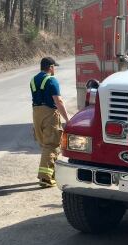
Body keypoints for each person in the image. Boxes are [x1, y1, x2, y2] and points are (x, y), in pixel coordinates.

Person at [30, 56, 70, 188]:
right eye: (54, 67)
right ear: (51, 67)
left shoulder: (33, 80)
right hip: (49, 114)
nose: (55, 70)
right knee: (52, 145)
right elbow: (58, 101)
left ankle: (50, 173)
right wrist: (68, 119)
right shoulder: (52, 80)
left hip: (36, 113)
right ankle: (45, 178)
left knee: (44, 144)